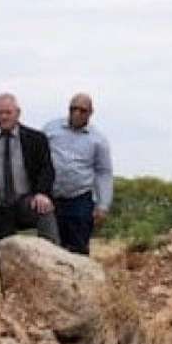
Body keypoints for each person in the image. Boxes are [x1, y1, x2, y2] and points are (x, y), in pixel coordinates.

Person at [0, 95, 59, 249]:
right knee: (3, 254)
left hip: (26, 201)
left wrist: (42, 193)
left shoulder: (36, 139)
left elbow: (47, 170)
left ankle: (54, 261)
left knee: (45, 208)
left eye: (8, 112)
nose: (3, 117)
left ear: (18, 113)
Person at [45, 94, 113, 255]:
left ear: (90, 113)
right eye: (73, 109)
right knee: (52, 248)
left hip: (79, 199)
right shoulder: (50, 129)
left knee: (79, 248)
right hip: (52, 198)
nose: (76, 113)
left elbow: (104, 172)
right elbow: (38, 158)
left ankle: (80, 280)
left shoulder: (98, 140)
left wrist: (103, 205)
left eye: (82, 110)